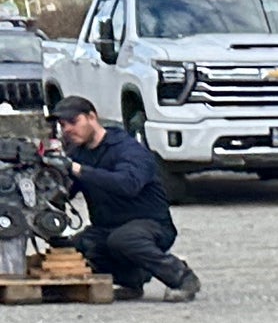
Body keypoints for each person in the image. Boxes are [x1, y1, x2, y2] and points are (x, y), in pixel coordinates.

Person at [48, 97, 200, 300]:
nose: (67, 129)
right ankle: (131, 279)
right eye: (63, 124)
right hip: (106, 228)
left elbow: (128, 184)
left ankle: (182, 277)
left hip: (149, 225)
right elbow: (64, 194)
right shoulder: (78, 154)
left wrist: (78, 170)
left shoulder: (128, 149)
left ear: (92, 117)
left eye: (73, 122)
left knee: (123, 240)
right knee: (70, 249)